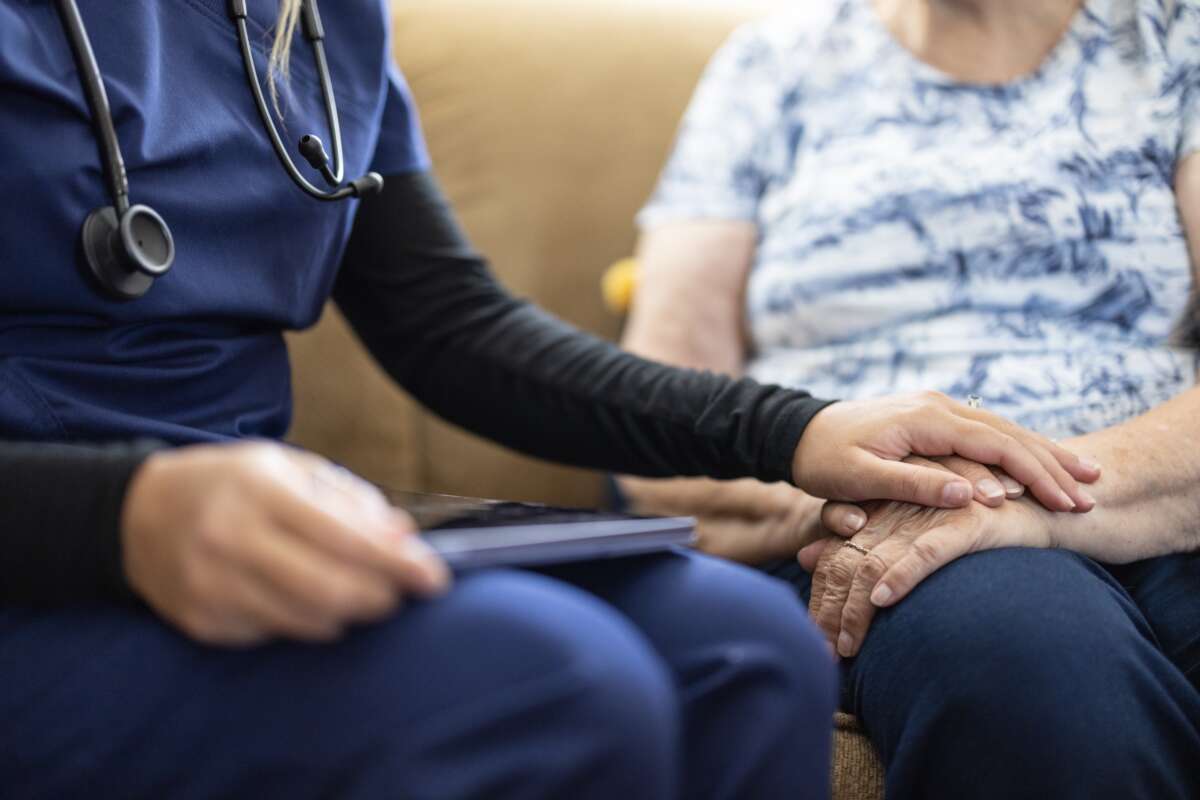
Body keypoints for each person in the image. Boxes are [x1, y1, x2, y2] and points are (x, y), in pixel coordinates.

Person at [0, 1, 1102, 798]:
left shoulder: (310, 22)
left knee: (749, 646)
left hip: (250, 522)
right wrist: (121, 511)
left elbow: (452, 327)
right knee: (554, 680)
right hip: (48, 544)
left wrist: (794, 427)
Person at [620, 0, 1200, 797]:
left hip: (1159, 490)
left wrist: (1017, 496)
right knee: (1028, 661)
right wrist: (861, 504)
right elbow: (659, 426)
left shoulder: (1177, 36)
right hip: (874, 523)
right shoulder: (772, 66)